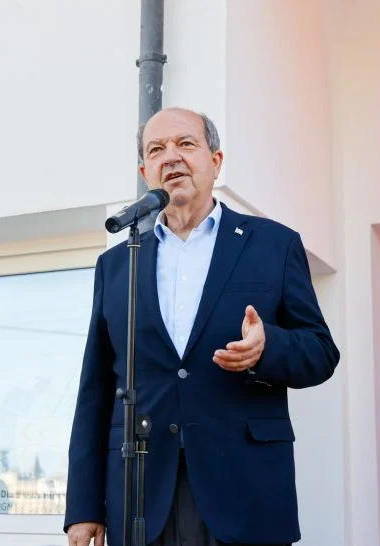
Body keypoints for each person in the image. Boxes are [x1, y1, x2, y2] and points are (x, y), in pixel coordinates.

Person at [64, 107, 340, 546]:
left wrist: (267, 347)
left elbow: (321, 352)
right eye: (157, 149)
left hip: (244, 490)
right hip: (139, 494)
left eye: (185, 144)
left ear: (216, 161)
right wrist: (83, 507)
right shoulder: (116, 264)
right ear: (145, 172)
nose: (171, 156)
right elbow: (95, 389)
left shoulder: (274, 244)